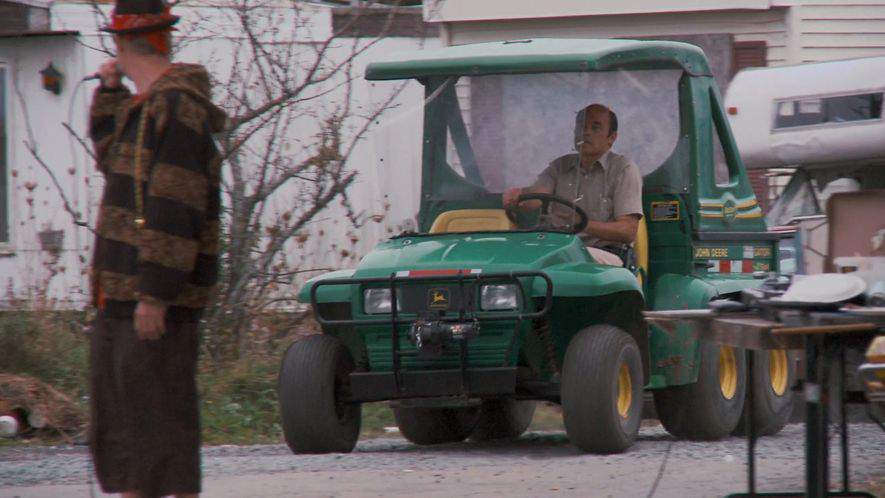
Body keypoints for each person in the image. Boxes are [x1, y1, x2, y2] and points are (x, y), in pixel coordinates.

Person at [87, 0, 226, 496]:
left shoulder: (177, 108)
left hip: (150, 304)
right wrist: (109, 95)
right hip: (120, 300)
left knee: (157, 436)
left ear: (124, 44)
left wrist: (155, 293)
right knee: (131, 437)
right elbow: (115, 163)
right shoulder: (145, 107)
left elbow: (176, 205)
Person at [503, 104, 643, 266]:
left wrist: (581, 223)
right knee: (513, 257)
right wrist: (517, 199)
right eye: (581, 127)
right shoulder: (559, 166)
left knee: (562, 259)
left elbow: (627, 231)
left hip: (607, 254)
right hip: (557, 248)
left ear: (611, 138)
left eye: (595, 127)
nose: (586, 132)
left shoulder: (623, 169)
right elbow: (535, 198)